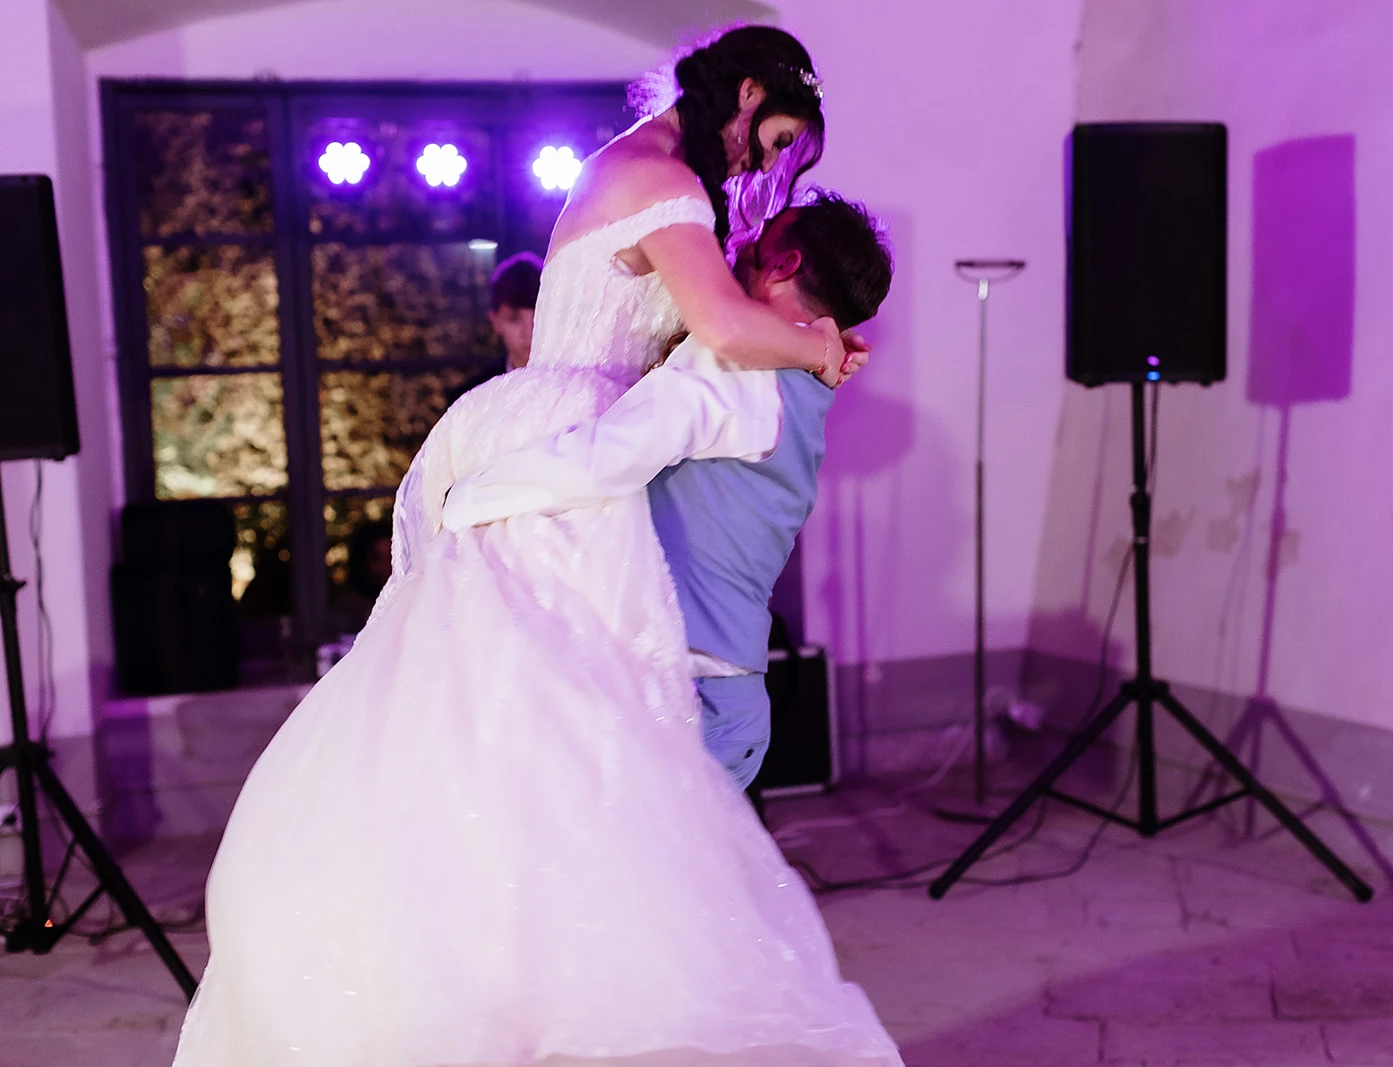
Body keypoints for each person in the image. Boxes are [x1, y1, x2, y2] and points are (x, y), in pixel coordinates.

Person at [171, 25, 900, 1067]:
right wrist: (820, 343)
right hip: (569, 454)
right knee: (554, 757)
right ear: (745, 94)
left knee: (536, 751)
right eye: (777, 139)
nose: (764, 172)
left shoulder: (653, 179)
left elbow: (704, 354)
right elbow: (726, 336)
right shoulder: (673, 192)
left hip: (564, 447)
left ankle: (519, 989)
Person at [445, 193, 892, 793]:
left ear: (784, 264)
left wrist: (467, 498)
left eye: (759, 240)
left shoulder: (739, 367)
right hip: (727, 695)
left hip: (686, 697)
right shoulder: (808, 383)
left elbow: (603, 461)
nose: (737, 247)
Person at [447, 252, 544, 406]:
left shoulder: (575, 391)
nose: (529, 331)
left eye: (538, 316)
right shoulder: (469, 399)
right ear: (496, 322)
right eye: (514, 318)